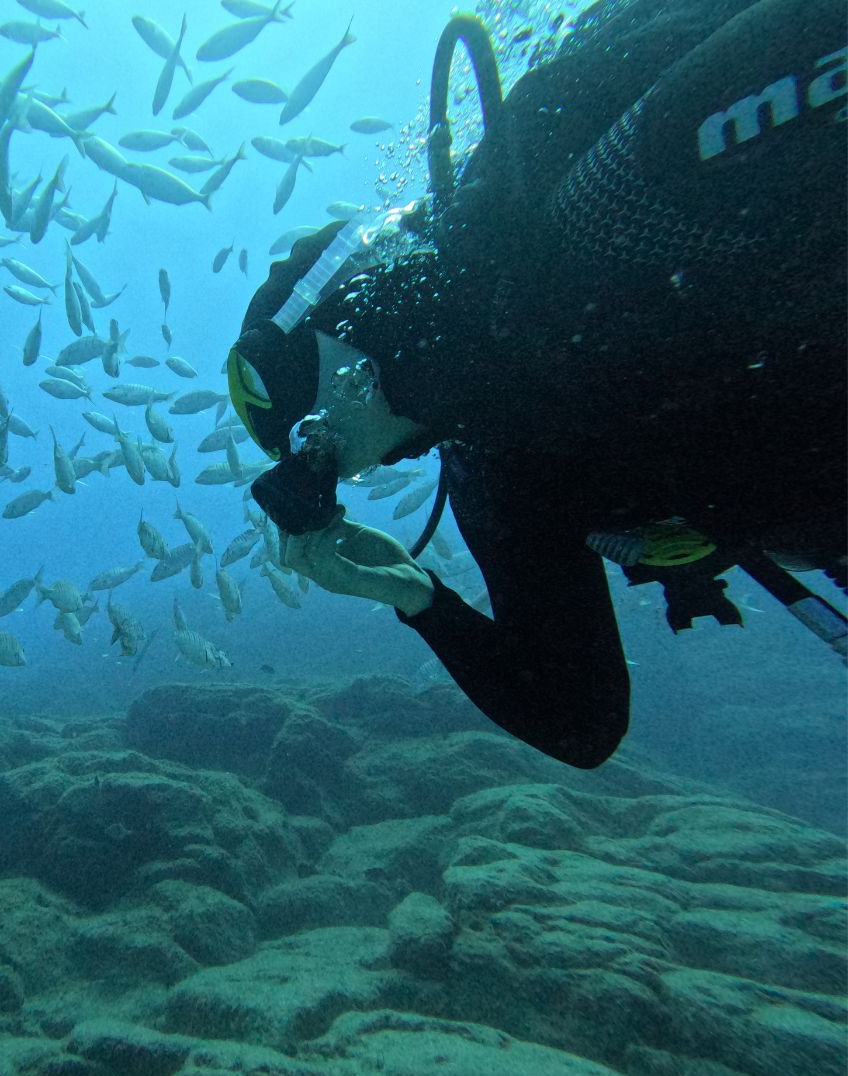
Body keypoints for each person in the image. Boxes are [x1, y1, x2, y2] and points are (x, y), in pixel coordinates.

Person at [226, 0, 847, 769]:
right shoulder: (497, 466)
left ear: (341, 365)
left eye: (306, 436)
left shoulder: (588, 211)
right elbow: (581, 722)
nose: (332, 469)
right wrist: (414, 595)